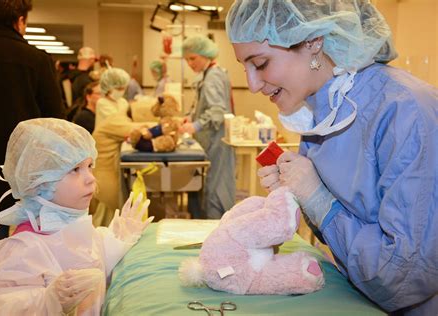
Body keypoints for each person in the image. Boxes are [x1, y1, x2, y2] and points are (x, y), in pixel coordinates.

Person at [226, 1, 437, 315]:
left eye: (260, 63)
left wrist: (319, 199)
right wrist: (295, 192)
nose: (253, 85)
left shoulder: (406, 111)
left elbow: (405, 276)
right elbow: (339, 223)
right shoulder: (323, 111)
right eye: (246, 67)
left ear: (313, 42)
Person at [0, 118, 153, 314]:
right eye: (75, 170)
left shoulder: (72, 227)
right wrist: (46, 301)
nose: (90, 178)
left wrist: (117, 239)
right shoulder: (21, 252)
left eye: (90, 166)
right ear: (40, 183)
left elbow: (91, 264)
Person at [0, 0, 65, 257]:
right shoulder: (36, 60)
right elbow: (56, 120)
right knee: (29, 235)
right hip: (23, 168)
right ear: (20, 20)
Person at [180, 35, 236, 219]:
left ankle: (216, 232)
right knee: (210, 187)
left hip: (217, 143)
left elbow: (217, 111)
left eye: (193, 58)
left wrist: (195, 126)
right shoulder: (208, 75)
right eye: (187, 59)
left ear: (205, 54)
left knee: (215, 189)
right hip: (211, 142)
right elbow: (204, 106)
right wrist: (190, 118)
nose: (189, 63)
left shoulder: (213, 76)